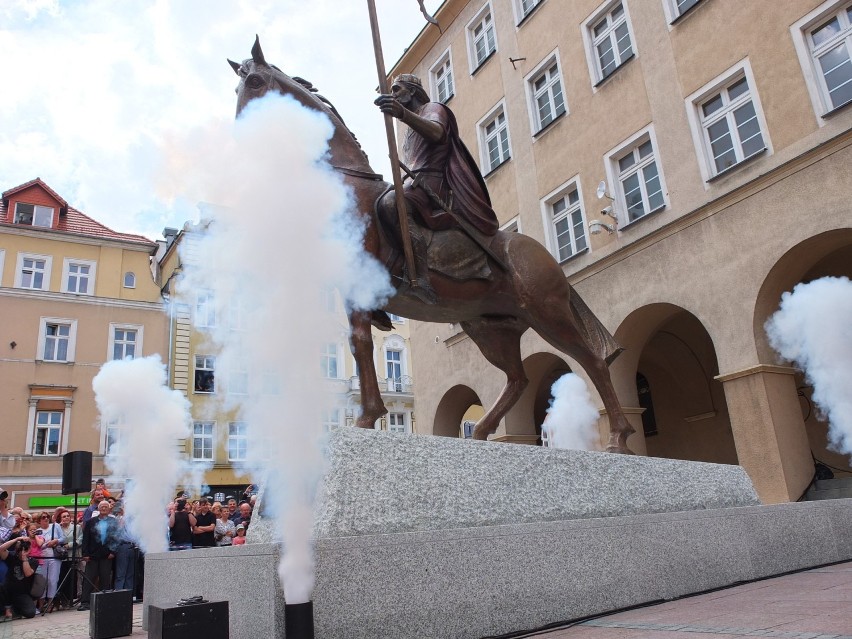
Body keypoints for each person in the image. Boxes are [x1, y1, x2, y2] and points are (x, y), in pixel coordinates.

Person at [373, 74, 499, 304]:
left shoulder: (433, 108)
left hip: (431, 182)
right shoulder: (409, 129)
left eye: (397, 89)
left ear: (412, 91)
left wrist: (402, 114)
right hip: (412, 181)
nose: (393, 95)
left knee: (392, 203)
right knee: (376, 203)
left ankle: (420, 277)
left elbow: (437, 132)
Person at [79, 501, 118, 611]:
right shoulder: (91, 522)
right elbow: (85, 538)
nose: (104, 508)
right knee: (89, 579)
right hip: (92, 555)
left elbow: (116, 538)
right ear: (99, 509)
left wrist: (113, 552)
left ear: (109, 509)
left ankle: (104, 601)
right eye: (102, 507)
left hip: (107, 555)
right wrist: (85, 553)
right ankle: (85, 602)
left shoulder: (113, 521)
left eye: (106, 507)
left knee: (105, 579)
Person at [0, 537, 39, 619]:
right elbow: (1, 549)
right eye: (20, 549)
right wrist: (16, 539)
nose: (22, 551)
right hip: (7, 590)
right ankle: (7, 609)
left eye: (25, 549)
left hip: (21, 593)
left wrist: (24, 558)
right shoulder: (12, 557)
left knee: (30, 613)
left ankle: (15, 609)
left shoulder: (33, 561)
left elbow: (28, 574)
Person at [36, 511, 65, 611]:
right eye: (43, 517)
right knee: (42, 581)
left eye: (47, 517)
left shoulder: (55, 526)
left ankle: (50, 603)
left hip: (54, 557)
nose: (46, 518)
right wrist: (45, 545)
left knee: (53, 580)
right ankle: (41, 604)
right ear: (39, 520)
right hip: (42, 558)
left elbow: (63, 538)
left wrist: (56, 541)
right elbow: (37, 545)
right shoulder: (37, 531)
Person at [57, 508, 82, 608]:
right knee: (62, 578)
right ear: (60, 518)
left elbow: (80, 539)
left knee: (72, 578)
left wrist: (69, 545)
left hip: (73, 555)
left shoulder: (77, 527)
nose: (66, 518)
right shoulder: (58, 528)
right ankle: (63, 599)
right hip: (62, 557)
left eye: (68, 516)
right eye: (64, 516)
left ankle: (71, 598)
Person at [112, 502, 135, 592]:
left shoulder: (133, 519)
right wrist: (125, 514)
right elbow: (119, 529)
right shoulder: (118, 518)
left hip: (133, 546)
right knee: (121, 574)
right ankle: (118, 593)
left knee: (130, 574)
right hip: (123, 546)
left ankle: (129, 594)